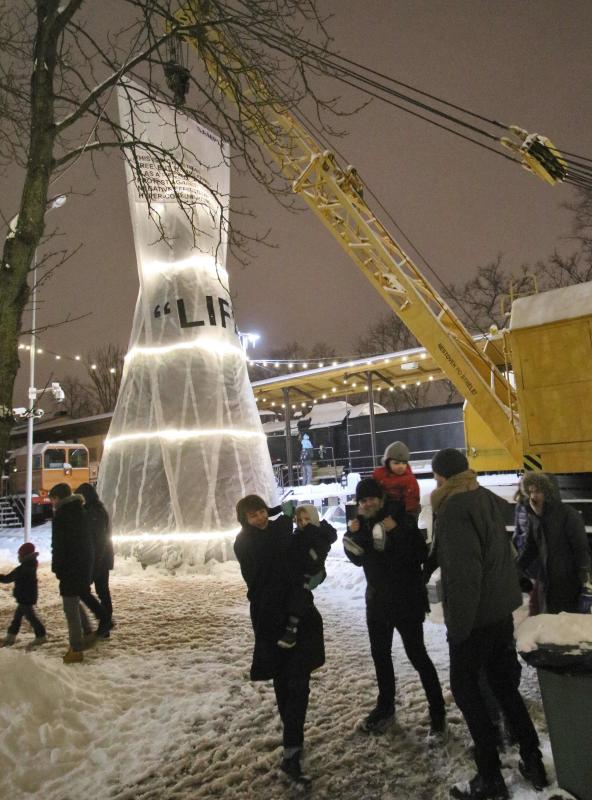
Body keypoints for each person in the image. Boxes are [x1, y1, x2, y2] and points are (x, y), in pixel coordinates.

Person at [430, 448, 547, 800]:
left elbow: (465, 575)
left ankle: (490, 776)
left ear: (442, 476)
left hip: (475, 618)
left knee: (467, 693)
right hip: (498, 614)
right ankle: (534, 762)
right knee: (504, 688)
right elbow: (505, 554)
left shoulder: (452, 509)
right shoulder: (484, 498)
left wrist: (459, 627)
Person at [234, 495, 325, 787]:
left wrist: (316, 573)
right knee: (283, 679)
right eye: (253, 516)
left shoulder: (277, 530)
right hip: (270, 617)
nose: (260, 518)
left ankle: (292, 747)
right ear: (244, 520)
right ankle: (292, 744)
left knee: (297, 680)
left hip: (298, 613)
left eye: (262, 511)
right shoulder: (245, 543)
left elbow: (298, 555)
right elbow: (273, 549)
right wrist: (283, 518)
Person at [343, 477, 445, 735]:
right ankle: (385, 706)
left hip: (405, 600)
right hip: (376, 602)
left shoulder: (401, 517)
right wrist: (352, 535)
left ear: (381, 497)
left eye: (372, 498)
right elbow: (358, 559)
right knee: (380, 655)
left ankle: (437, 712)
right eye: (364, 500)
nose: (369, 503)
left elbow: (420, 555)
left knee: (417, 655)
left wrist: (395, 531)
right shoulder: (363, 523)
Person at [518, 472, 591, 614]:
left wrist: (585, 576)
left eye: (538, 491)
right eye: (530, 491)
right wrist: (517, 569)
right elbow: (530, 549)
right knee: (550, 624)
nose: (533, 496)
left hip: (569, 584)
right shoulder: (534, 517)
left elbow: (581, 548)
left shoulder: (568, 515)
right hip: (547, 584)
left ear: (548, 492)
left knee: (567, 628)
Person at [277, 503, 337, 649]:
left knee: (300, 595)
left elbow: (316, 557)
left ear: (314, 519)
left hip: (308, 572)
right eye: (299, 520)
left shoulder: (319, 535)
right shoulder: (299, 535)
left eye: (307, 519)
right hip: (297, 573)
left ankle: (292, 627)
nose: (303, 523)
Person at [49, 482, 96, 663]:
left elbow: (58, 546)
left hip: (70, 566)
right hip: (83, 564)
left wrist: (57, 567)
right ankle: (88, 632)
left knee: (70, 606)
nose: (52, 503)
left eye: (52, 499)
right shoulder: (80, 511)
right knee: (75, 600)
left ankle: (75, 649)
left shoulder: (62, 516)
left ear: (58, 498)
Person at [77, 482, 115, 634]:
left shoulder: (95, 512)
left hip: (99, 558)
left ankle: (105, 623)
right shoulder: (95, 509)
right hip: (99, 557)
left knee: (100, 591)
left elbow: (98, 539)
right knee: (101, 591)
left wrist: (95, 562)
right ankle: (105, 624)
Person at [0, 542, 47, 649]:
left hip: (25, 597)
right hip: (26, 596)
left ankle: (41, 635)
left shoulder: (23, 568)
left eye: (20, 554)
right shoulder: (30, 565)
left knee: (31, 617)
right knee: (17, 618)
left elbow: (8, 578)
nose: (18, 556)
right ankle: (10, 637)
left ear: (24, 555)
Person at [372, 441, 420, 515]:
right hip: (380, 511)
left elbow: (413, 499)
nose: (401, 466)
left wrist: (408, 515)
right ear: (388, 463)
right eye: (396, 463)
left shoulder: (409, 480)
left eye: (404, 463)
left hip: (402, 514)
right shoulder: (379, 475)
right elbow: (369, 488)